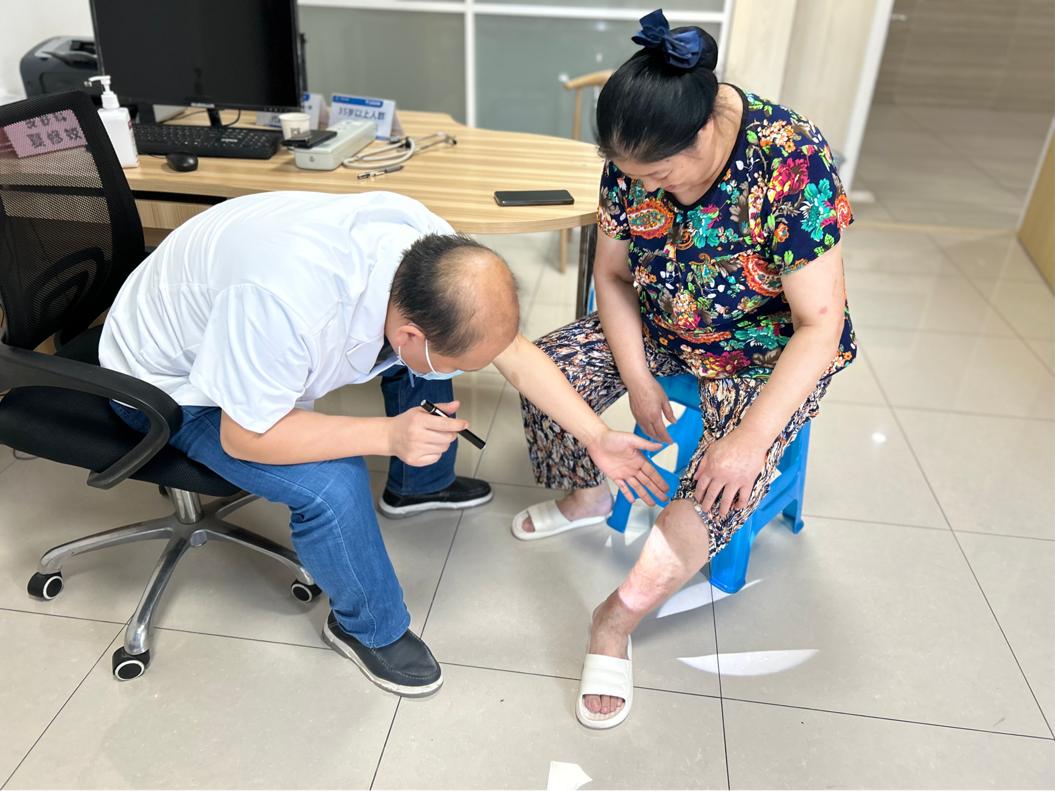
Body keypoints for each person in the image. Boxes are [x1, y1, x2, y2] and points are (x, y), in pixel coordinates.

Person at [100, 190, 666, 698]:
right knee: (334, 479)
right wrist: (388, 436)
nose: (467, 374)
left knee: (434, 362)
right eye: (462, 365)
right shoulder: (289, 308)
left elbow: (511, 352)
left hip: (238, 325)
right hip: (164, 385)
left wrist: (596, 435)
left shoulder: (430, 251)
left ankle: (419, 487)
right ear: (408, 334)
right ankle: (367, 627)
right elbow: (246, 435)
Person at [513, 9, 857, 728]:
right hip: (661, 322)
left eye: (660, 176)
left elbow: (819, 324)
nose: (649, 188)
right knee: (549, 367)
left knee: (721, 487)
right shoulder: (634, 157)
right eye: (633, 177)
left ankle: (614, 619)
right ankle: (586, 496)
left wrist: (750, 438)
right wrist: (638, 378)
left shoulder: (788, 161)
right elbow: (612, 276)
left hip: (761, 352)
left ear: (703, 133)